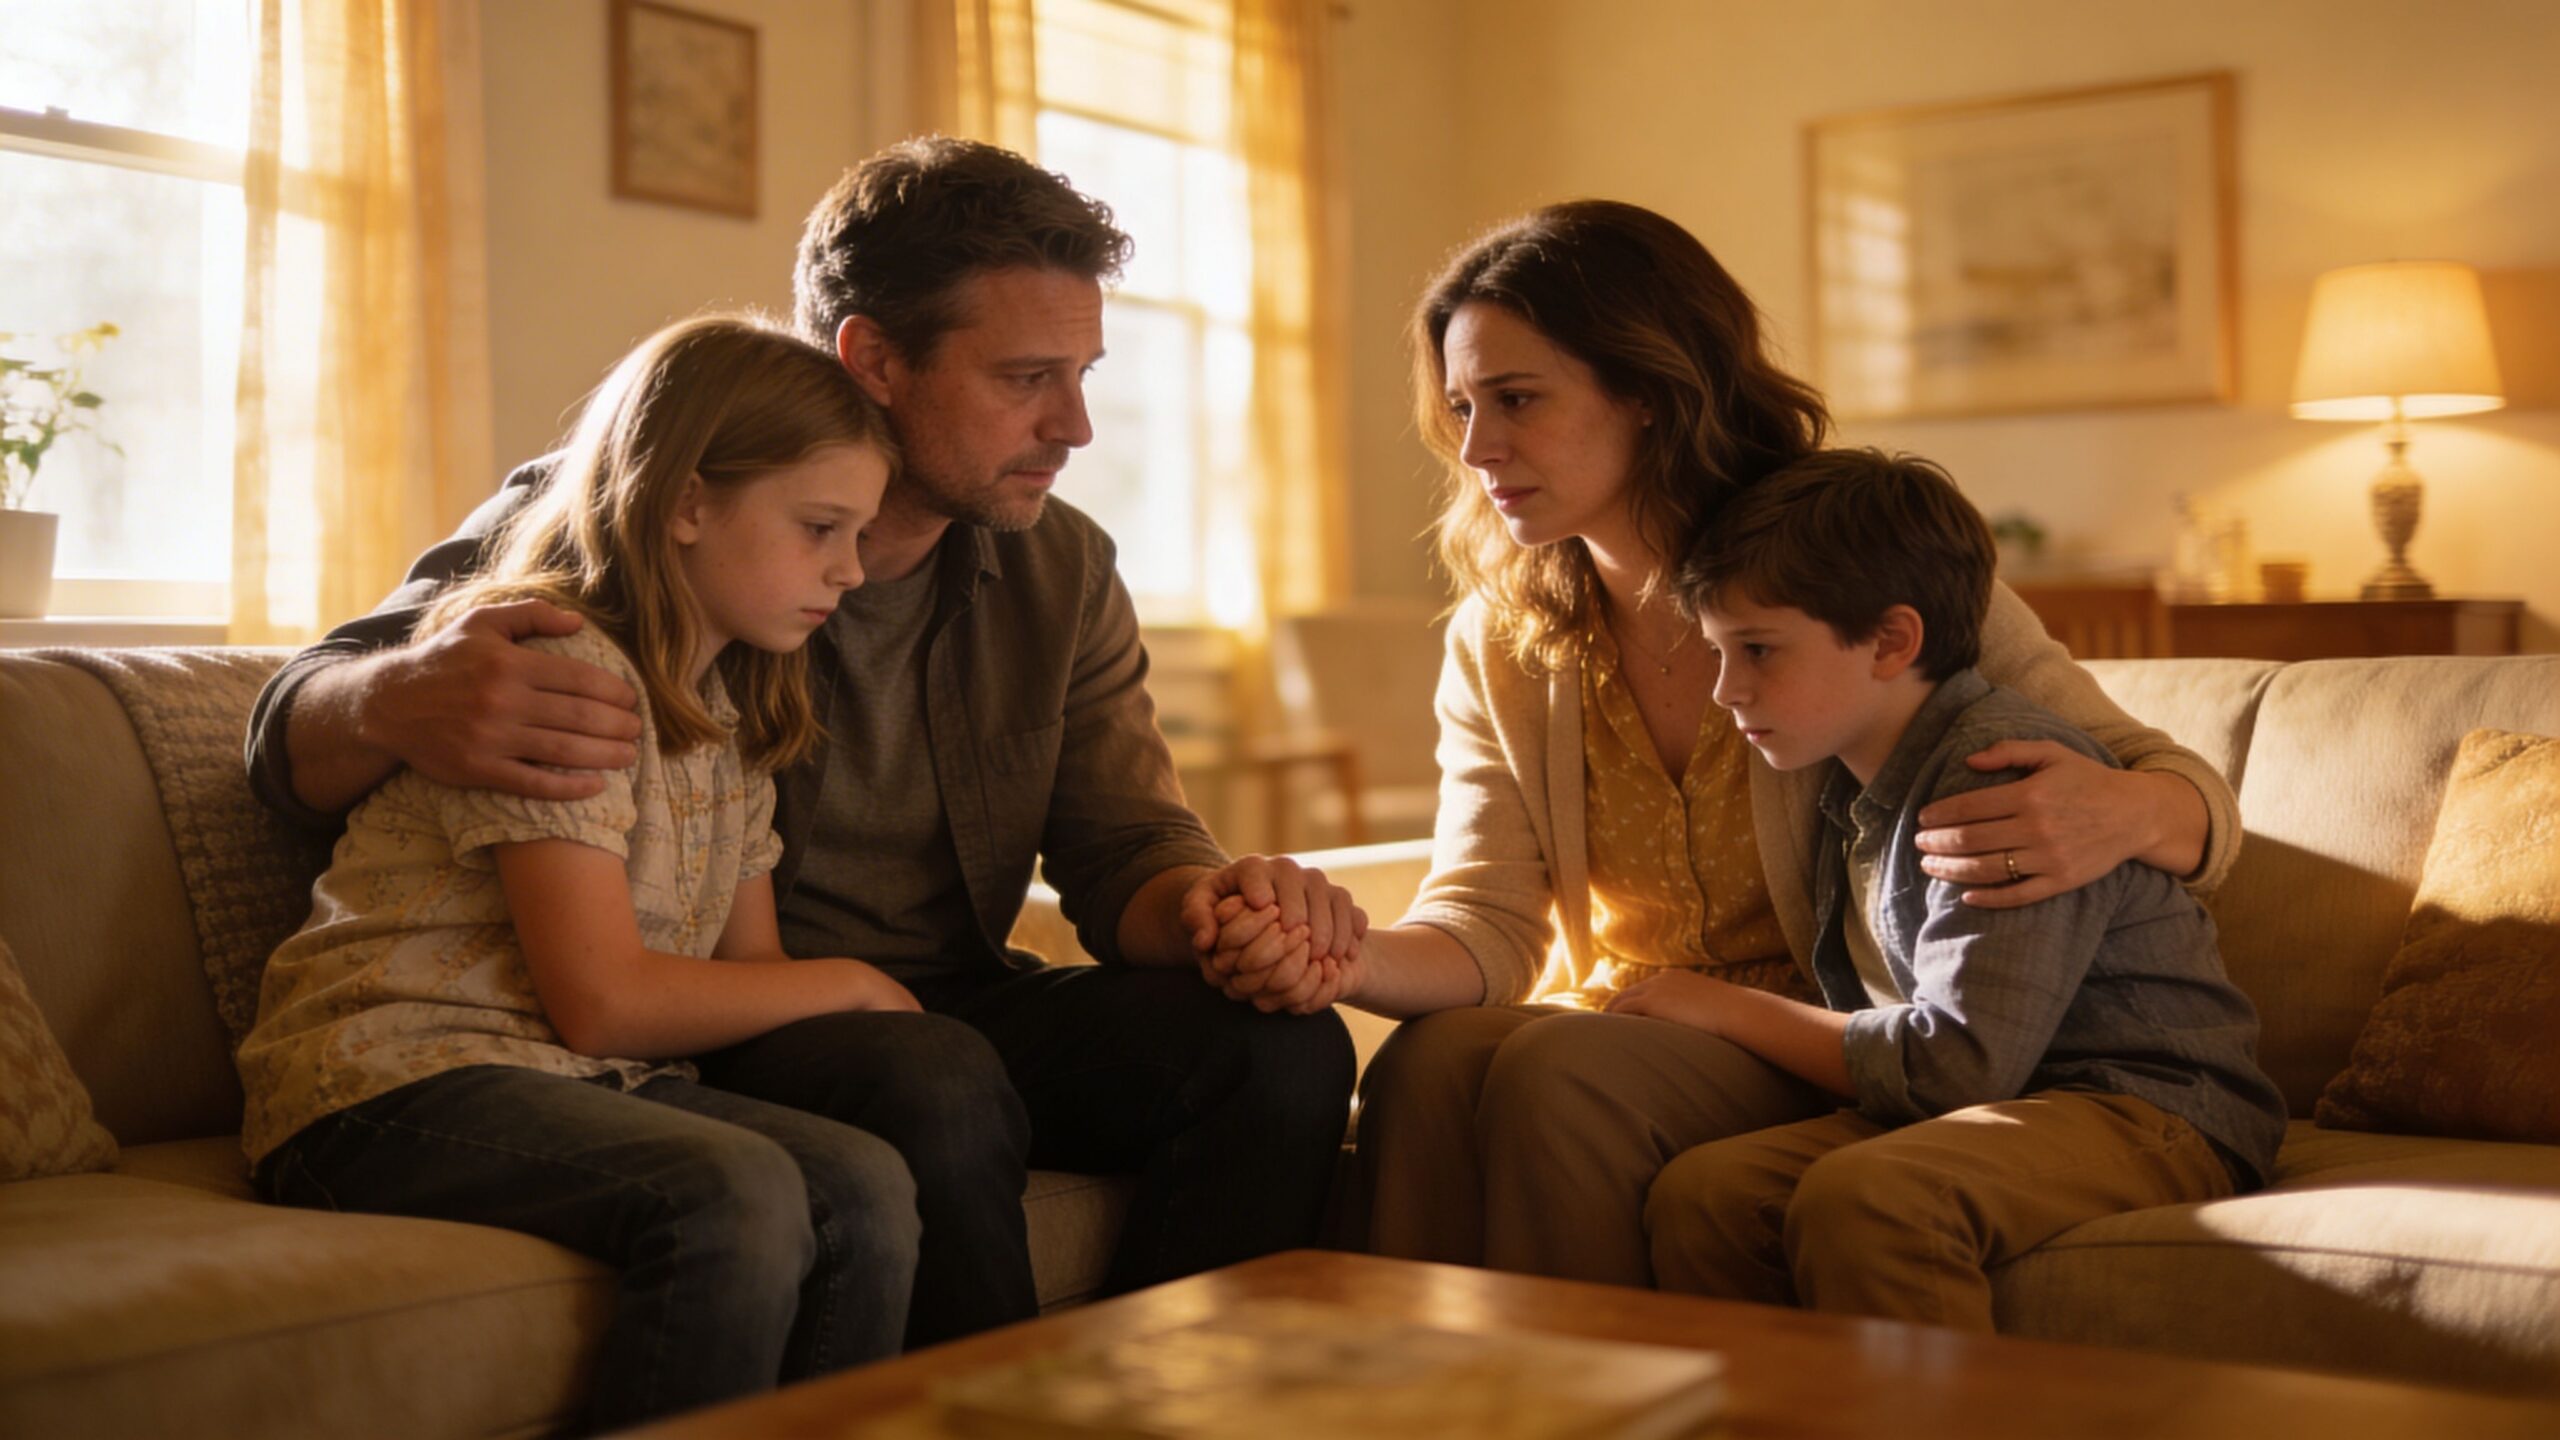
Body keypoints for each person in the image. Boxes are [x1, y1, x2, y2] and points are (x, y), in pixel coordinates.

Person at [242, 138, 1360, 1310]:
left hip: (939, 997)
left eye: (1082, 374)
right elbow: (288, 725)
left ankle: (1184, 1391)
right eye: (1027, 378)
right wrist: (397, 696)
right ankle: (986, 1404)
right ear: (873, 359)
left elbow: (1125, 843)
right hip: (729, 1006)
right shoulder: (646, 495)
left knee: (1277, 1049)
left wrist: (1225, 918)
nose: (1074, 426)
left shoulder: (1063, 565)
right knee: (930, 1073)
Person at [1203, 199, 2244, 1289]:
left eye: (1516, 399)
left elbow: (2174, 787)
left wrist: (2124, 811)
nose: (1475, 448)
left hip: (1813, 1027)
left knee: (1561, 1068)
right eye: (1461, 407)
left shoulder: (1841, 571)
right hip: (1631, 1012)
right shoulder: (1500, 638)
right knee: (1428, 1062)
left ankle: (1613, 1378)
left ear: (1648, 389)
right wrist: (1343, 958)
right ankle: (1421, 1370)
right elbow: (1488, 917)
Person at [236, 317, 984, 1431]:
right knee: (737, 1191)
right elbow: (603, 1003)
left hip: (575, 1081)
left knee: (868, 1184)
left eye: (860, 534)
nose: (850, 568)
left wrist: (842, 1001)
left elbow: (747, 968)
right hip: (383, 1081)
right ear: (685, 503)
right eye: (820, 527)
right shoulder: (559, 668)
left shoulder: (730, 707)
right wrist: (860, 984)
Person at [1623, 446, 2285, 1326]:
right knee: (1706, 1194)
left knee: (1875, 1198)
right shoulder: (1846, 780)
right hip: (2011, 1097)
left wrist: (1720, 1006)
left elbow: (1955, 1067)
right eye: (1717, 652)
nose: (1725, 691)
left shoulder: (1996, 775)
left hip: (2147, 1102)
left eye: (1758, 650)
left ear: (1892, 641)